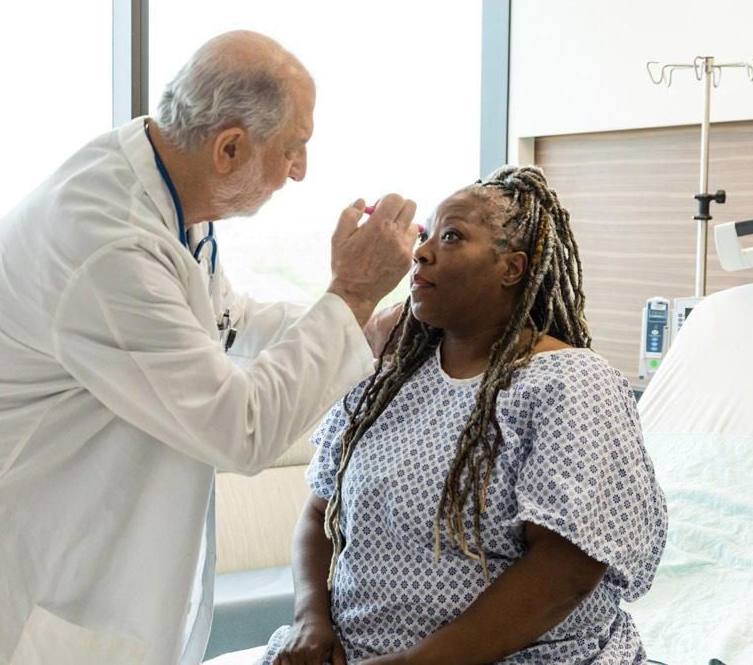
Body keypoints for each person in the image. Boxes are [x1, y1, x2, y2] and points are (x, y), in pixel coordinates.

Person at [0, 31, 418, 665]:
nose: (300, 170)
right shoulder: (107, 241)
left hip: (14, 513)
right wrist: (352, 293)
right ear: (229, 147)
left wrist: (362, 331)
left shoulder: (166, 190)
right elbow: (240, 428)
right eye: (293, 148)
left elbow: (220, 320)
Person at [259, 166, 668, 665]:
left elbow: (565, 572)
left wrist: (415, 664)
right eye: (425, 236)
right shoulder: (386, 378)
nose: (421, 252)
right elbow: (321, 513)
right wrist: (311, 621)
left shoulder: (569, 383)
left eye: (451, 237)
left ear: (512, 268)